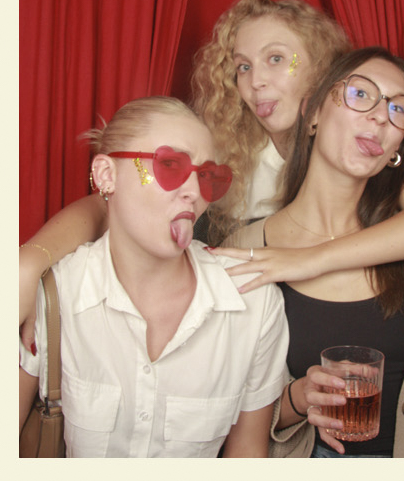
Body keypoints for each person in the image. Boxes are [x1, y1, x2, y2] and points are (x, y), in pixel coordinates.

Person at [18, 0, 404, 332]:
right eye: (243, 67)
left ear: (323, 70)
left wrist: (308, 259)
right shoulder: (227, 160)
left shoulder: (363, 151)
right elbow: (107, 203)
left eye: (275, 59)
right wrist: (30, 263)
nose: (256, 82)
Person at [17, 98, 287, 458]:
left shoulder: (253, 301)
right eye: (170, 165)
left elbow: (247, 455)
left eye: (207, 176)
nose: (194, 192)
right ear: (106, 175)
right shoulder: (55, 294)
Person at [227, 48, 404, 458]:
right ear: (313, 113)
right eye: (360, 94)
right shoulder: (242, 251)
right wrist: (298, 398)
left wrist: (310, 259)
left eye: (398, 110)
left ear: (397, 146)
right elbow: (225, 420)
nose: (380, 116)